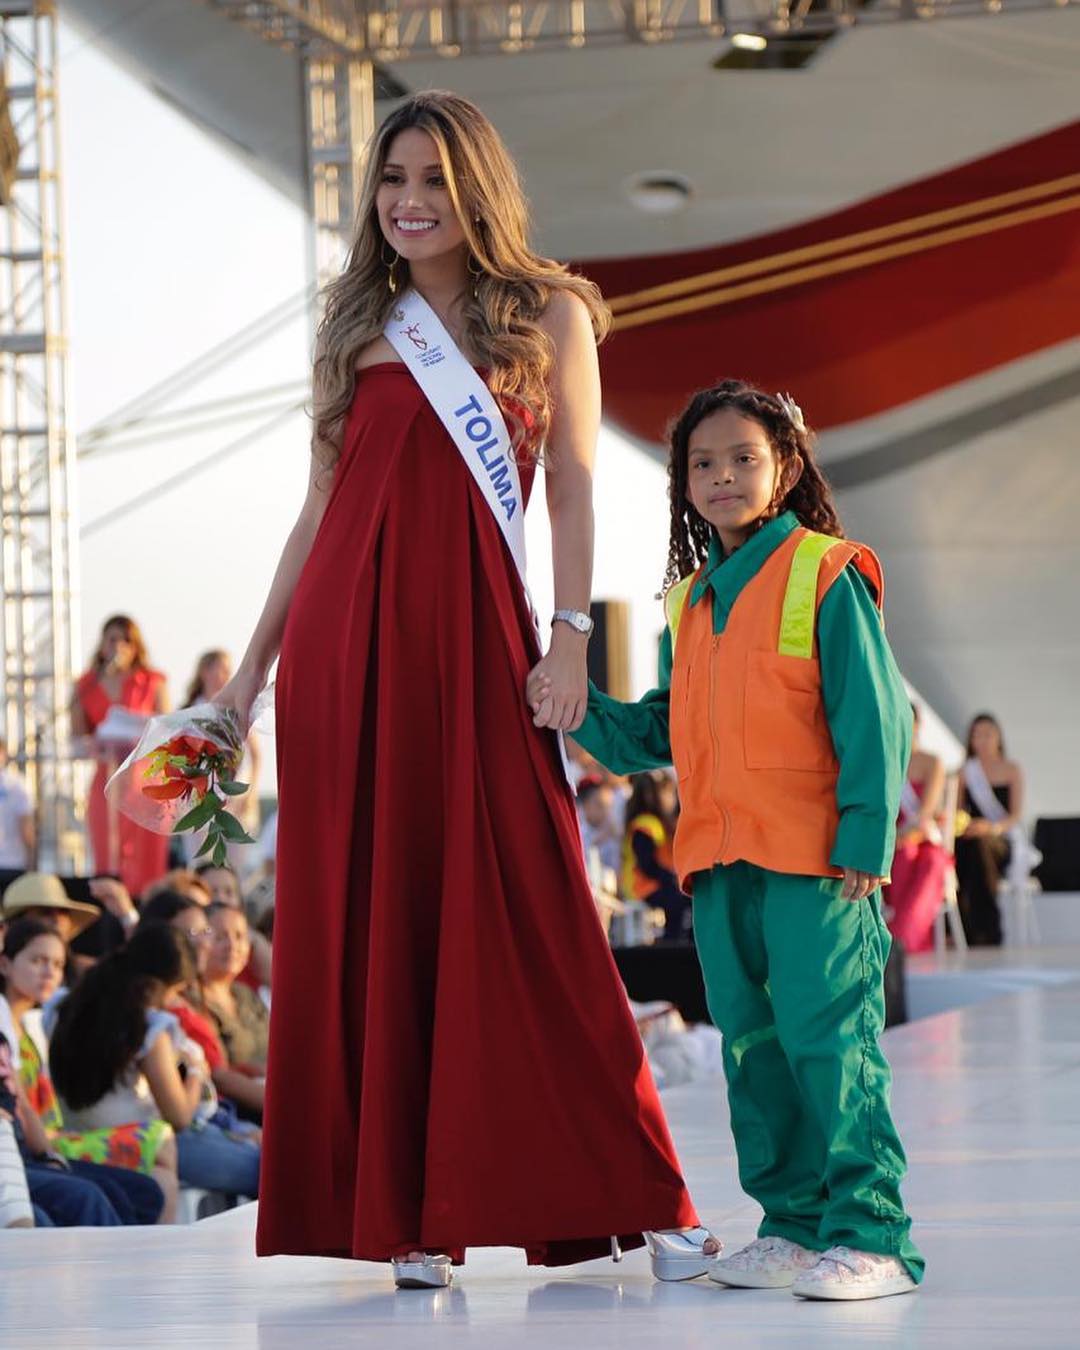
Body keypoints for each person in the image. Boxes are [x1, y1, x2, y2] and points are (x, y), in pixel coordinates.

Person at [213, 89, 712, 1290]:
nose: (410, 202)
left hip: (485, 639)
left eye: (433, 178)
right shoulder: (357, 326)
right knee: (373, 918)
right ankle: (407, 1216)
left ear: (475, 188)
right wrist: (244, 683)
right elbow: (320, 510)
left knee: (533, 905)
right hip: (346, 646)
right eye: (393, 179)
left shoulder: (549, 313)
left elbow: (581, 486)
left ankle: (648, 1195)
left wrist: (574, 635)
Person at [556, 381, 923, 1300]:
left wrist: (867, 842)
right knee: (753, 1049)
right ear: (684, 483)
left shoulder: (826, 571)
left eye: (743, 460)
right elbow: (657, 730)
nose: (722, 478)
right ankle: (793, 1226)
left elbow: (873, 715)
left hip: (817, 866)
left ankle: (874, 1234)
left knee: (830, 1043)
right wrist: (570, 707)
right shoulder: (689, 605)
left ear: (786, 468)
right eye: (703, 465)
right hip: (719, 869)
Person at [47, 923, 259, 1204]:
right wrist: (196, 1069)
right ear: (162, 985)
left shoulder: (64, 1006)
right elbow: (179, 1117)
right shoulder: (148, 1027)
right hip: (143, 1142)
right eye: (176, 991)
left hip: (81, 1134)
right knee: (268, 1170)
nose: (173, 1001)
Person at [1, 916, 168, 1225]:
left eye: (57, 963)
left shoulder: (32, 1022)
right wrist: (49, 1154)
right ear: (6, 964)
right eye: (38, 960)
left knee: (145, 1191)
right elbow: (20, 1103)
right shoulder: (6, 1017)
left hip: (39, 1142)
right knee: (98, 1192)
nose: (49, 971)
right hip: (26, 1147)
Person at [137, 893, 265, 1122]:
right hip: (208, 1118)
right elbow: (182, 1114)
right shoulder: (164, 1008)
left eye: (205, 932)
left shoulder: (241, 995)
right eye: (193, 934)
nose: (206, 943)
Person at [71, 615, 170, 896]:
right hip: (107, 781)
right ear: (102, 645)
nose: (118, 646)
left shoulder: (151, 681)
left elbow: (168, 727)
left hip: (145, 781)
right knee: (108, 855)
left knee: (146, 859)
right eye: (112, 639)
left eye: (126, 640)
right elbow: (77, 737)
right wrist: (90, 744)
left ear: (135, 646)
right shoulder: (87, 684)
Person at [182, 651, 262, 866]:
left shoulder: (238, 707)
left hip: (236, 799)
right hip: (199, 802)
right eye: (220, 668)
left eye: (228, 670)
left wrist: (251, 793)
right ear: (204, 672)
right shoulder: (189, 711)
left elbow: (256, 755)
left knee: (235, 868)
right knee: (201, 864)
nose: (225, 675)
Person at [955, 713, 1025, 947]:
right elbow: (956, 812)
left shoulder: (1011, 769)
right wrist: (967, 825)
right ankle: (963, 929)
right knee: (964, 851)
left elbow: (1015, 816)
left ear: (998, 738)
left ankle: (988, 929)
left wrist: (991, 827)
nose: (982, 740)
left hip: (1000, 840)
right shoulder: (966, 772)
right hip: (970, 839)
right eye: (976, 735)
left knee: (981, 848)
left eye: (987, 734)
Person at [885, 705, 950, 955]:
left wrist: (908, 835)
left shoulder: (933, 762)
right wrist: (896, 838)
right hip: (895, 842)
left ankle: (904, 937)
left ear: (917, 725)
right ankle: (900, 937)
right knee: (903, 857)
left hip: (925, 838)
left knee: (931, 862)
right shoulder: (885, 761)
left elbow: (926, 811)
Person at [202, 905, 268, 1075]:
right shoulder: (196, 1000)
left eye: (239, 936)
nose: (232, 945)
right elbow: (219, 1073)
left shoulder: (245, 994)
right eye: (220, 937)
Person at [621, 771, 688, 939]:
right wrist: (671, 878)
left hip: (656, 883)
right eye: (668, 793)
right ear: (652, 795)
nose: (672, 799)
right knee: (676, 900)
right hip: (641, 887)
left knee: (684, 897)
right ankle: (672, 942)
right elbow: (647, 866)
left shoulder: (661, 824)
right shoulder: (644, 825)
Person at [0, 744, 34, 872]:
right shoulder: (17, 784)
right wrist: (31, 863)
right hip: (13, 863)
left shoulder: (16, 784)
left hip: (12, 862)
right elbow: (26, 829)